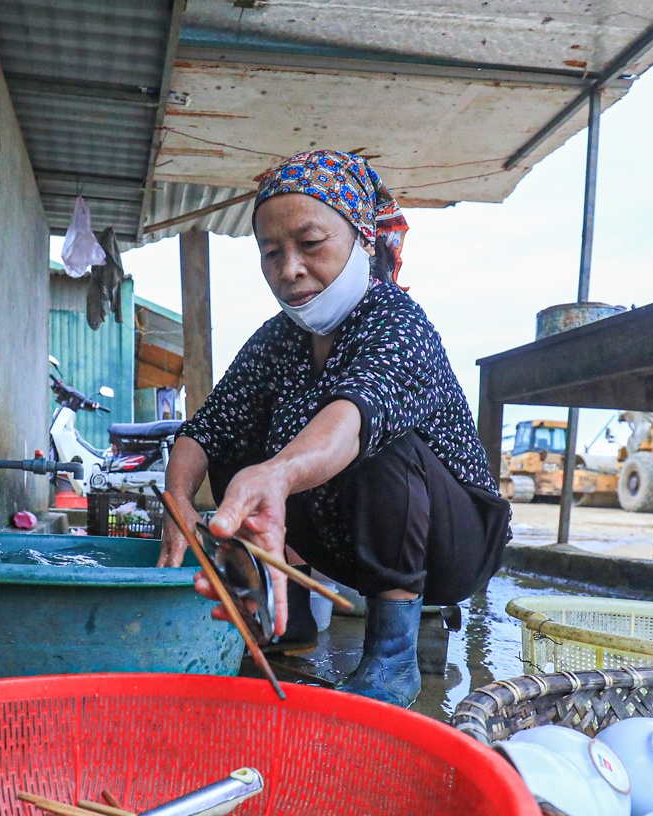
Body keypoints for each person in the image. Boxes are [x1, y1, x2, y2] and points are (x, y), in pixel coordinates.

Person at [156, 150, 511, 707]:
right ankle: (287, 615)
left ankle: (392, 659)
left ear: (362, 240)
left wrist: (277, 473)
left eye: (310, 244)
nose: (289, 268)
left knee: (377, 444)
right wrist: (177, 500)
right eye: (271, 252)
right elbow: (207, 426)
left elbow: (351, 419)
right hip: (351, 540)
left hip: (450, 544)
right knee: (238, 449)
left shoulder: (397, 320)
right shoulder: (277, 339)